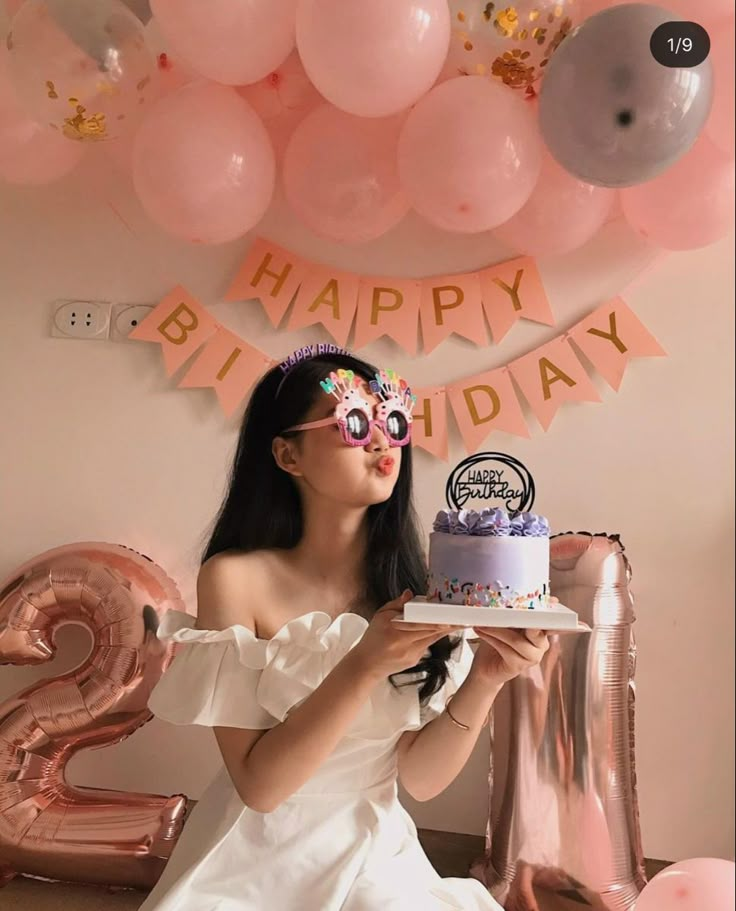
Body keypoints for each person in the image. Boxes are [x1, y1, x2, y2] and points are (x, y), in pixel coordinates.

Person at [140, 349, 550, 911]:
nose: (382, 443)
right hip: (254, 857)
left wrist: (487, 677)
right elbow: (261, 789)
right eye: (355, 424)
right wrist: (363, 664)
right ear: (288, 454)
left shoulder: (424, 585)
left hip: (374, 850)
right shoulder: (235, 579)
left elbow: (422, 780)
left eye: (394, 423)